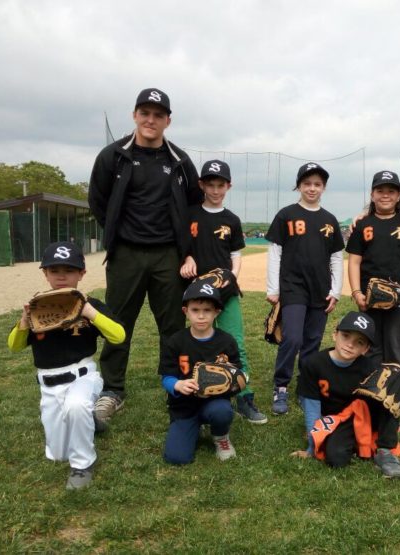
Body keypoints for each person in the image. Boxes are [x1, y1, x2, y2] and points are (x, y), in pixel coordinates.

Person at [88, 88, 202, 430]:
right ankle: (113, 389)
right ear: (135, 115)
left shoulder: (179, 160)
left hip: (169, 255)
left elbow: (194, 204)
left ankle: (174, 385)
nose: (150, 120)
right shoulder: (113, 156)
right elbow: (98, 200)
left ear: (168, 120)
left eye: (158, 114)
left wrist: (186, 249)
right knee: (118, 322)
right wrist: (119, 236)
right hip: (127, 254)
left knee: (172, 325)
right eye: (144, 113)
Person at [7, 241, 126, 489]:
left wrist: (90, 313)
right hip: (48, 383)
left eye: (69, 270)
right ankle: (92, 422)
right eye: (54, 271)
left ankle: (82, 466)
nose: (61, 276)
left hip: (83, 376)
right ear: (45, 274)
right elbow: (15, 346)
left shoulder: (90, 304)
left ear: (82, 274)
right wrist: (24, 322)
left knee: (76, 405)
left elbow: (119, 336)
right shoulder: (39, 306)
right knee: (59, 451)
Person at [180, 159, 267, 424]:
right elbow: (181, 245)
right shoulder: (190, 213)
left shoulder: (231, 219)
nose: (215, 190)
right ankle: (190, 392)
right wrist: (186, 257)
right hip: (196, 294)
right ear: (201, 185)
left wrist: (231, 278)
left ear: (228, 186)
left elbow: (235, 255)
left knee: (235, 342)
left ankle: (244, 397)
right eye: (210, 185)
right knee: (195, 342)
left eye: (221, 185)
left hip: (225, 294)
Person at [265, 162, 344, 415]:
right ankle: (281, 385)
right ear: (299, 186)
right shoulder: (286, 214)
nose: (312, 188)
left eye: (317, 184)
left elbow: (336, 258)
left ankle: (305, 387)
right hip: (293, 287)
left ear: (324, 188)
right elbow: (275, 252)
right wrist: (273, 288)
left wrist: (336, 291)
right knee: (292, 338)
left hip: (320, 289)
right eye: (307, 183)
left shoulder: (329, 220)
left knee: (312, 341)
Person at [293, 311, 400, 478]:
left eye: (359, 342)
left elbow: (382, 404)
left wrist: (390, 422)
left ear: (366, 349)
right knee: (336, 459)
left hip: (365, 415)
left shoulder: (371, 367)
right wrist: (312, 444)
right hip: (339, 420)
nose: (350, 345)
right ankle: (360, 442)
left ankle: (385, 451)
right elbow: (312, 407)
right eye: (345, 336)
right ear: (334, 335)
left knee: (395, 383)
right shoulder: (314, 364)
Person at [159, 281, 241, 464]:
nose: (201, 316)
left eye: (207, 310)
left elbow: (238, 376)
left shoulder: (226, 342)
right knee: (177, 458)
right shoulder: (175, 342)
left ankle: (221, 437)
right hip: (184, 406)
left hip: (215, 402)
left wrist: (234, 382)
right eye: (195, 310)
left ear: (216, 312)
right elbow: (166, 377)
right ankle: (193, 427)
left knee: (222, 411)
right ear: (185, 311)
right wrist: (178, 384)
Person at [346, 170, 400, 369]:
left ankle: (395, 391)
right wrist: (356, 293)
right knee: (370, 345)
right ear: (372, 195)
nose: (385, 195)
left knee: (396, 346)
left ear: (398, 196)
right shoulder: (363, 225)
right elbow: (354, 261)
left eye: (391, 191)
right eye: (380, 190)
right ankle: (370, 389)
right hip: (369, 297)